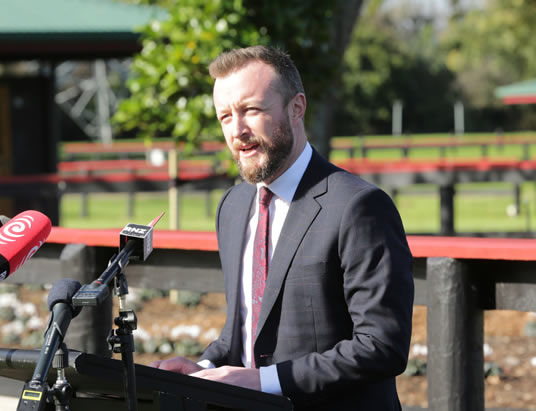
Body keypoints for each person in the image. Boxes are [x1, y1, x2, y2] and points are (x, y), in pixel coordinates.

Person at [151, 45, 414, 410]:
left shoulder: (359, 206)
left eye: (251, 110)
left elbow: (382, 346)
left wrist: (263, 381)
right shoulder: (232, 206)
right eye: (225, 116)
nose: (237, 130)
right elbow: (244, 333)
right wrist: (205, 369)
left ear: (296, 108)